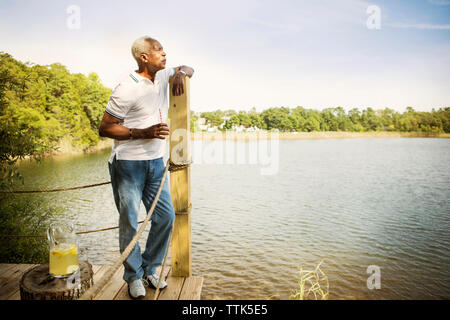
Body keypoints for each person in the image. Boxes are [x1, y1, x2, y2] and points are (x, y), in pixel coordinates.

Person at [98, 36, 194, 299]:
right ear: (144, 57)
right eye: (158, 50)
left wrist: (180, 75)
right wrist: (143, 132)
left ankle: (151, 268)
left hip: (156, 163)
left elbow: (189, 68)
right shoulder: (125, 88)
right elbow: (105, 128)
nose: (165, 54)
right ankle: (133, 277)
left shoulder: (163, 77)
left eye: (164, 49)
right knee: (129, 223)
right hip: (128, 164)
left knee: (165, 217)